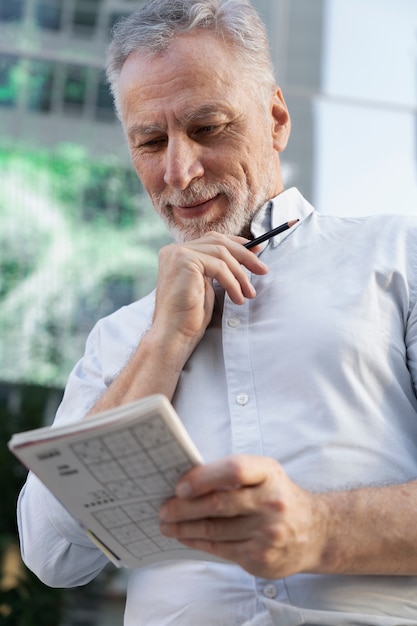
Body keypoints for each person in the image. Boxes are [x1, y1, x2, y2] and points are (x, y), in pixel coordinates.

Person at [17, 0, 417, 624]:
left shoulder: (398, 257)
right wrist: (163, 343)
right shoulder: (118, 337)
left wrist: (315, 528)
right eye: (151, 141)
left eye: (207, 128)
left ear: (277, 119)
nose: (179, 171)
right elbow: (51, 555)